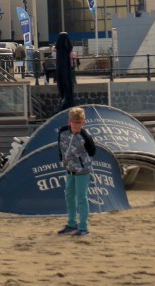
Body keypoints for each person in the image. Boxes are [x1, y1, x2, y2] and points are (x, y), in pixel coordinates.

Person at [57, 107, 96, 237]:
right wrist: (63, 160)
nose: (76, 125)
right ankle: (71, 224)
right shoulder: (62, 132)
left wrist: (81, 162)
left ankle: (83, 227)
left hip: (82, 171)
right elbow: (60, 147)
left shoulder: (85, 136)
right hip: (69, 170)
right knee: (69, 197)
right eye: (74, 122)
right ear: (69, 121)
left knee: (81, 198)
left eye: (79, 122)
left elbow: (92, 151)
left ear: (84, 122)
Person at [55, 32, 75, 110]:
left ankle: (64, 100)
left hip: (60, 72)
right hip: (67, 72)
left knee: (63, 87)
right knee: (68, 87)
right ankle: (69, 102)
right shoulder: (67, 48)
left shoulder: (59, 49)